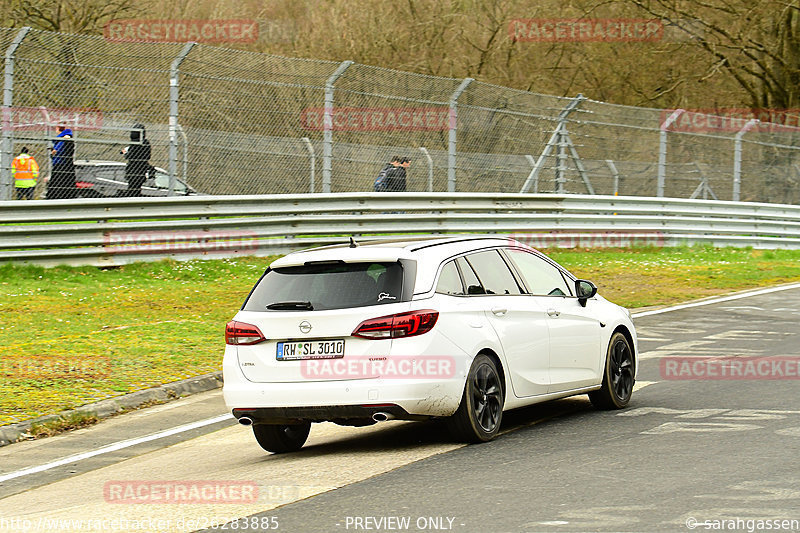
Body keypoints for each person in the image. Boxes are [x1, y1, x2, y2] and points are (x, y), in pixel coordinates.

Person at [122, 123, 151, 196]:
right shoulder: (143, 143)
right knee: (135, 189)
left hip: (135, 169)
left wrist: (126, 153)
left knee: (133, 189)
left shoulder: (138, 143)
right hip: (139, 169)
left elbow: (130, 155)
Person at [48, 125, 76, 199]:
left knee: (57, 188)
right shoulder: (59, 141)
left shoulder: (64, 138)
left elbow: (66, 148)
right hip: (61, 165)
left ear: (57, 129)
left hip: (62, 166)